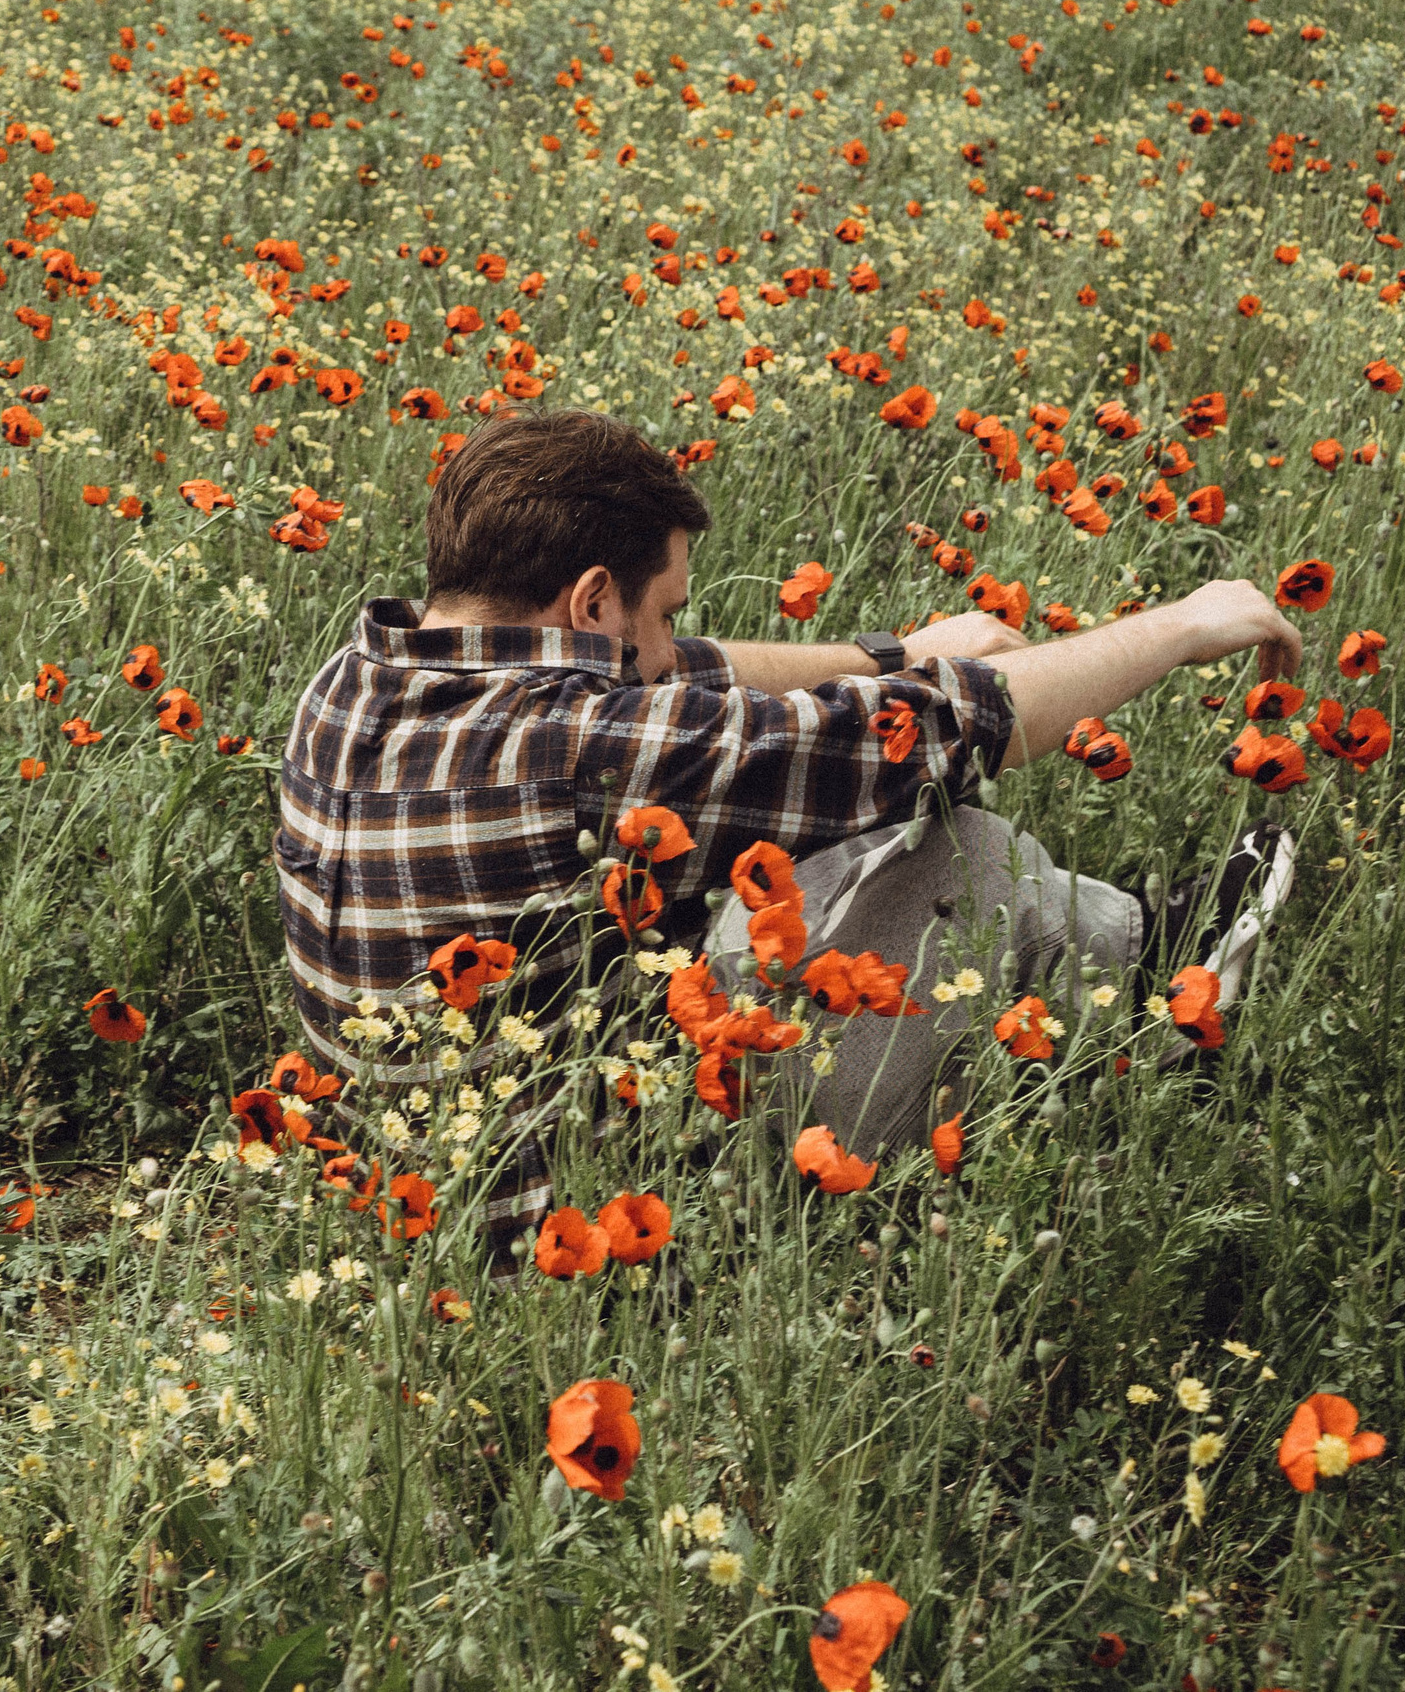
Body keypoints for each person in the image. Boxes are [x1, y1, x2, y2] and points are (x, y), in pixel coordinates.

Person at [274, 408, 1301, 1270]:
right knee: (948, 844)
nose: (674, 641)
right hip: (588, 1243)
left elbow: (683, 678)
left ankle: (1119, 971)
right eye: (663, 608)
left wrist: (889, 652)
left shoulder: (357, 676)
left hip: (408, 1201)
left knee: (783, 867)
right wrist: (1184, 624)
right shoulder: (582, 748)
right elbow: (963, 726)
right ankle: (1163, 983)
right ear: (591, 599)